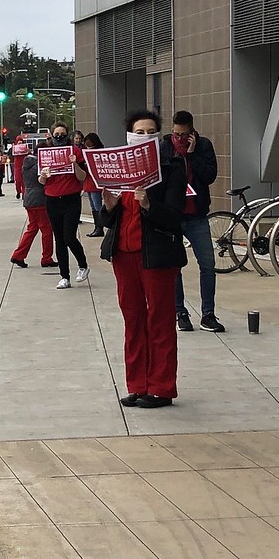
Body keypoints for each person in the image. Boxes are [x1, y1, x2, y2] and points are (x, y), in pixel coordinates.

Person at [98, 109, 185, 405]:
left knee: (159, 319)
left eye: (151, 132)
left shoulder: (171, 167)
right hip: (123, 254)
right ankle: (137, 384)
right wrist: (108, 206)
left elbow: (175, 218)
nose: (145, 137)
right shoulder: (121, 167)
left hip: (157, 254)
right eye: (140, 132)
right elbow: (109, 222)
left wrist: (148, 203)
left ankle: (161, 386)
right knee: (132, 320)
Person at [167, 111, 223, 333]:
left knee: (207, 264)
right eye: (176, 133)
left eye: (183, 134)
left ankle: (208, 313)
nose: (179, 138)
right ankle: (180, 311)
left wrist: (191, 155)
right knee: (175, 266)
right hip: (173, 215)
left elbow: (210, 176)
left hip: (197, 215)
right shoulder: (165, 146)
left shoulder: (204, 146)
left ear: (191, 132)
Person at [41, 122, 92, 289]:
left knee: (69, 236)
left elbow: (83, 176)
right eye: (56, 133)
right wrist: (43, 175)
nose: (59, 136)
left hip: (71, 199)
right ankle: (65, 276)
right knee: (59, 240)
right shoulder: (46, 154)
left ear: (67, 135)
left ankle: (83, 265)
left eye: (62, 133)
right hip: (52, 200)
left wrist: (74, 164)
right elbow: (41, 181)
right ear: (52, 135)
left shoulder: (75, 152)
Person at [10, 138, 56, 268]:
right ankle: (47, 258)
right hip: (40, 199)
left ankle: (18, 255)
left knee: (32, 228)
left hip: (29, 198)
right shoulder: (40, 166)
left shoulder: (26, 164)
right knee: (46, 229)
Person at [83, 132, 108, 236]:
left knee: (97, 206)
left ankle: (99, 228)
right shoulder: (86, 153)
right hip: (88, 182)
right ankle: (97, 227)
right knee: (93, 207)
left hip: (95, 183)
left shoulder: (99, 153)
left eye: (90, 145)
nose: (88, 148)